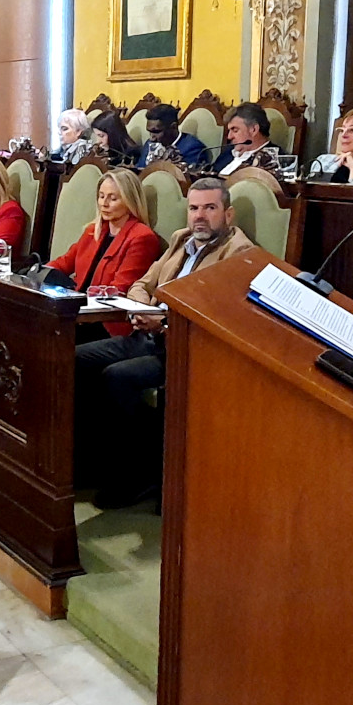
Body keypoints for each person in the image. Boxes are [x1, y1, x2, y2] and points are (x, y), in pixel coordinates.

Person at [74, 177, 254, 506]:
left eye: (210, 208)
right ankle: (90, 463)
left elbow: (215, 314)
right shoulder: (180, 240)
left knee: (117, 377)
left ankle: (138, 475)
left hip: (186, 349)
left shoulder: (238, 252)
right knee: (74, 358)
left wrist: (164, 320)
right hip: (147, 334)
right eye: (194, 208)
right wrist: (147, 310)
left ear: (228, 215)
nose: (200, 216)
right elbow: (142, 284)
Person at [46, 168, 163, 311]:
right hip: (76, 307)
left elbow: (120, 290)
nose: (104, 203)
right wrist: (39, 273)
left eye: (113, 198)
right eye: (101, 196)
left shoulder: (142, 237)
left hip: (104, 316)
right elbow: (64, 263)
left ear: (130, 201)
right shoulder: (93, 230)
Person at [212, 103, 285, 179]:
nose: (230, 136)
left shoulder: (274, 159)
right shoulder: (227, 153)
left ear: (254, 130)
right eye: (229, 131)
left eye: (235, 130)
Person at [137, 104, 209, 169]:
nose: (152, 138)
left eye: (156, 132)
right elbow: (140, 169)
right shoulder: (149, 143)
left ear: (173, 127)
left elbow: (188, 179)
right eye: (149, 131)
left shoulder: (192, 148)